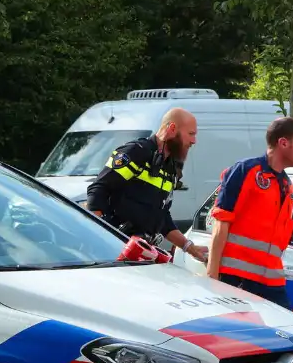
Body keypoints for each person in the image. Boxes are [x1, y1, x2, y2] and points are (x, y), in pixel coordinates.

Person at [205, 117, 293, 309]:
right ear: (283, 143)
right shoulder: (245, 171)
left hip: (272, 282)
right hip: (237, 279)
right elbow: (221, 222)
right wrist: (212, 275)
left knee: (288, 335)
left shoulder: (287, 187)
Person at [86, 108, 208, 263]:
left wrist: (189, 247)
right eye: (191, 134)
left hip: (140, 254)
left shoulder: (171, 168)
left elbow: (162, 216)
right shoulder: (136, 152)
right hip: (113, 251)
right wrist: (97, 238)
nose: (194, 141)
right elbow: (98, 190)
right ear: (172, 129)